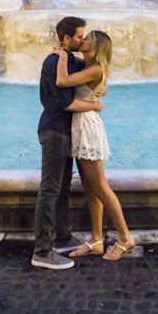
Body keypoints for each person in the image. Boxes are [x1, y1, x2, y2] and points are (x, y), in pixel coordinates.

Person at [52, 29, 136, 261]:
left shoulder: (95, 68)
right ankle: (96, 240)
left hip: (86, 126)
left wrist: (59, 54)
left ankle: (125, 237)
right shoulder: (88, 64)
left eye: (87, 38)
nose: (82, 39)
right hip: (81, 124)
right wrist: (65, 51)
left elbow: (62, 81)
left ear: (95, 45)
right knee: (90, 186)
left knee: (100, 185)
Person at [32, 16, 105, 271]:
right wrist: (95, 106)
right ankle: (42, 251)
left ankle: (62, 238)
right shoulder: (54, 62)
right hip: (54, 131)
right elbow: (64, 103)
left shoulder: (70, 59)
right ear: (65, 38)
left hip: (67, 131)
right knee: (50, 189)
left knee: (62, 188)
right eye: (78, 37)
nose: (82, 40)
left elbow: (95, 66)